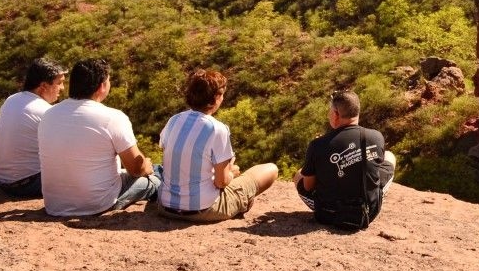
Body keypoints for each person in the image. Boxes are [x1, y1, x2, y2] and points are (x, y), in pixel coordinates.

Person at [37, 58, 161, 216]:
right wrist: (147, 166)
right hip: (96, 204)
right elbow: (137, 168)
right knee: (155, 177)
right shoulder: (112, 117)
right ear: (101, 86)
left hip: (55, 204)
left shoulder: (49, 115)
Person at [156, 68, 278, 223]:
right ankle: (240, 203)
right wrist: (231, 173)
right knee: (271, 169)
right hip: (202, 210)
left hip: (165, 206)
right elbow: (221, 182)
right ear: (216, 97)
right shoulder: (216, 128)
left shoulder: (174, 120)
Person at [296, 90, 396, 229]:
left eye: (330, 111)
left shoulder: (317, 145)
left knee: (300, 174)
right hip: (367, 212)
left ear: (336, 114)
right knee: (389, 156)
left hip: (329, 214)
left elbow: (308, 186)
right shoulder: (376, 136)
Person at [0, 57, 66, 198]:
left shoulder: (11, 99)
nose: (62, 88)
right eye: (59, 83)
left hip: (0, 179)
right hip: (28, 185)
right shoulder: (44, 111)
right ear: (43, 86)